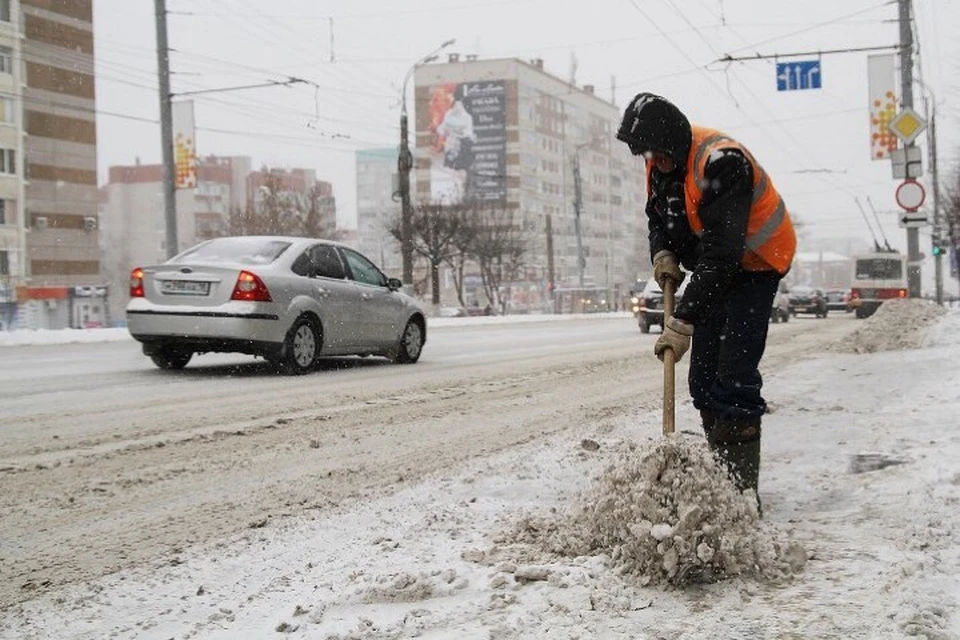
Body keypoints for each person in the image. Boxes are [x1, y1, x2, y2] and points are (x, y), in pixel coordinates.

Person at [616, 93, 797, 506]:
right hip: (717, 270)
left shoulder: (722, 162)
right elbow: (657, 217)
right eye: (646, 155)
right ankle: (721, 476)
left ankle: (739, 498)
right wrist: (662, 252)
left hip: (757, 263)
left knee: (733, 378)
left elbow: (722, 256)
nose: (652, 162)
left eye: (658, 155)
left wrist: (681, 322)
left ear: (675, 145)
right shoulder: (661, 166)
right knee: (702, 381)